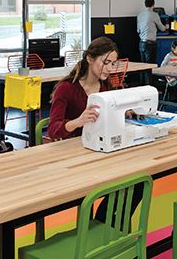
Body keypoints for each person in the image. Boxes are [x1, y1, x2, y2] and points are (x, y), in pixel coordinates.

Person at [47, 36, 142, 224]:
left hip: (100, 153)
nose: (109, 68)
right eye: (105, 62)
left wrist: (123, 112)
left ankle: (107, 227)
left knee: (139, 183)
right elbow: (53, 129)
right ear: (90, 59)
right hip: (76, 159)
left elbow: (108, 118)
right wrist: (77, 121)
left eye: (113, 64)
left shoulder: (106, 86)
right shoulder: (66, 89)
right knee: (128, 184)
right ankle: (105, 227)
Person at [137, 0, 166, 64]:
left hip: (141, 43)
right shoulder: (154, 15)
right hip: (150, 44)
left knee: (142, 67)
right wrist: (166, 27)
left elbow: (138, 30)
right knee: (150, 67)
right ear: (153, 4)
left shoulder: (140, 15)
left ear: (145, 4)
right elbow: (162, 29)